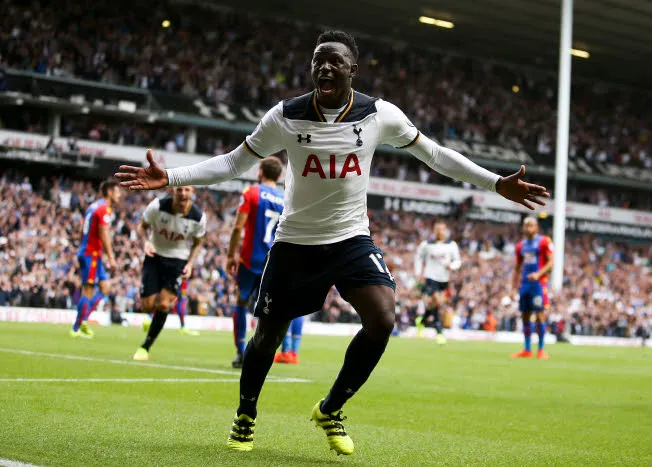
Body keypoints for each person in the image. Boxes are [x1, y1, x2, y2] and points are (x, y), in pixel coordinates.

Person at [116, 30, 549, 455]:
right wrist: (170, 176)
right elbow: (233, 163)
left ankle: (331, 408)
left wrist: (495, 184)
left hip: (350, 238)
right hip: (296, 242)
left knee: (382, 319)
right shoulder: (285, 115)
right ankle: (246, 414)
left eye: (334, 60)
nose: (324, 66)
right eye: (317, 60)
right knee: (267, 337)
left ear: (352, 70)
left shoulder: (379, 115)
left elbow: (435, 155)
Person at [133, 186, 206, 361]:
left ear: (192, 192)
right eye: (180, 190)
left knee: (165, 305)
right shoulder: (157, 206)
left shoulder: (198, 217)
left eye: (187, 190)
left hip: (178, 262)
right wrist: (145, 242)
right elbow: (141, 227)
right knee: (148, 305)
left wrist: (190, 263)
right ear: (173, 190)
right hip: (154, 256)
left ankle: (145, 347)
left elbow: (198, 242)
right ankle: (151, 317)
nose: (183, 194)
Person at [226, 157, 285, 368]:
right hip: (274, 263)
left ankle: (241, 351)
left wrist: (231, 255)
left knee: (241, 302)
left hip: (249, 260)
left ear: (260, 172)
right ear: (279, 176)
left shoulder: (251, 193)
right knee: (268, 310)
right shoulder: (286, 199)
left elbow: (237, 227)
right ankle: (261, 353)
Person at [71, 180, 120, 338]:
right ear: (110, 192)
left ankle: (84, 321)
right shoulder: (103, 208)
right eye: (117, 191)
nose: (119, 195)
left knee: (105, 287)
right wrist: (111, 258)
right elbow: (103, 234)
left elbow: (83, 230)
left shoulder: (93, 206)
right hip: (90, 254)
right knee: (88, 290)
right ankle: (76, 328)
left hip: (91, 253)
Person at [511, 217, 554, 360]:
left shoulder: (544, 241)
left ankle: (541, 349)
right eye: (526, 225)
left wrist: (538, 274)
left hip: (538, 285)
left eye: (531, 225)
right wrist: (512, 289)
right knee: (525, 315)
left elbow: (551, 263)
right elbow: (517, 268)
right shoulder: (520, 246)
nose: (528, 228)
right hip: (525, 285)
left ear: (536, 227)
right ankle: (527, 349)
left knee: (540, 315)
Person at [414, 221, 461, 345]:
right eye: (437, 229)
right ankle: (439, 332)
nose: (440, 232)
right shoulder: (427, 245)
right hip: (430, 277)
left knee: (436, 304)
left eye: (442, 229)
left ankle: (422, 320)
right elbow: (419, 258)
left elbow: (457, 261)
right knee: (437, 301)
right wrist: (418, 272)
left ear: (446, 231)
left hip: (444, 279)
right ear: (434, 231)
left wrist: (452, 266)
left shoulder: (451, 245)